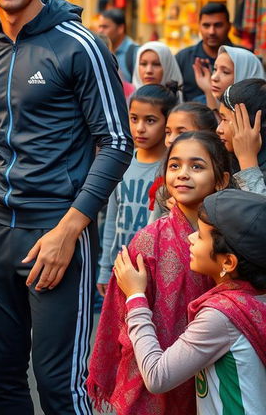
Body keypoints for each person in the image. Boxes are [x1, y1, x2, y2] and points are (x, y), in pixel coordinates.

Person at [0, 0, 133, 414]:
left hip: (57, 233)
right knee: (4, 378)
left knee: (62, 386)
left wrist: (69, 230)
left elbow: (117, 142)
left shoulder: (79, 45)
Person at [88, 131, 232, 415]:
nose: (183, 174)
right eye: (175, 165)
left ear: (222, 180)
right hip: (153, 367)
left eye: (197, 166)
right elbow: (119, 315)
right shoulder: (147, 241)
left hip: (216, 368)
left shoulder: (231, 237)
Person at [114, 189, 266, 414]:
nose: (190, 237)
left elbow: (157, 377)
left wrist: (136, 297)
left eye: (201, 236)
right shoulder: (255, 296)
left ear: (228, 262)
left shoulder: (221, 316)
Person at [96, 85, 177, 296]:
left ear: (167, 122)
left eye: (150, 120)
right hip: (123, 266)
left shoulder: (171, 169)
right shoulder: (121, 163)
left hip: (157, 269)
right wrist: (105, 269)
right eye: (134, 119)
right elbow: (112, 219)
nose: (140, 128)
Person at [176, 2, 238, 102]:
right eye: (206, 25)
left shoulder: (243, 59)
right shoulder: (183, 58)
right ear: (199, 26)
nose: (211, 32)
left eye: (218, 25)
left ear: (229, 26)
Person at [217, 78, 266, 194]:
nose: (218, 129)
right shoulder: (225, 157)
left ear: (252, 123)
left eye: (225, 119)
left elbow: (256, 210)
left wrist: (247, 159)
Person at [193, 44, 265, 110]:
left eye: (225, 72)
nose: (213, 77)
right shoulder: (199, 103)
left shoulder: (258, 119)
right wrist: (208, 91)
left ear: (245, 76)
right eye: (215, 69)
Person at [97, 8, 138, 82]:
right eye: (99, 26)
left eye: (105, 27)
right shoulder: (100, 50)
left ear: (120, 28)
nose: (100, 31)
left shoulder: (135, 52)